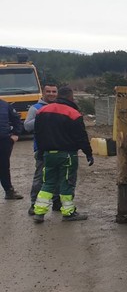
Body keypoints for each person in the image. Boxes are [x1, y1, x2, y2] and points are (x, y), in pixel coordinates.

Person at [32, 85, 94, 222]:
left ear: (58, 95)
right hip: (67, 155)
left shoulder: (42, 111)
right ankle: (68, 213)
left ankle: (39, 212)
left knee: (47, 183)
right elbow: (81, 137)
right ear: (71, 97)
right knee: (67, 183)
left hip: (48, 154)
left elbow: (38, 134)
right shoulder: (73, 114)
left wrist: (41, 152)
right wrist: (88, 153)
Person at [23, 82, 61, 215]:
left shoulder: (60, 107)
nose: (51, 94)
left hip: (60, 148)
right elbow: (27, 126)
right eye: (48, 91)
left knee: (59, 177)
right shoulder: (35, 108)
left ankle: (57, 203)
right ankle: (34, 204)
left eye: (54, 91)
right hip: (42, 149)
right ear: (43, 93)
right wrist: (43, 117)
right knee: (40, 178)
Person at [0, 97, 24, 199]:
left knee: (4, 166)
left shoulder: (5, 105)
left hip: (3, 141)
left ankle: (9, 192)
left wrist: (16, 134)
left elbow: (16, 119)